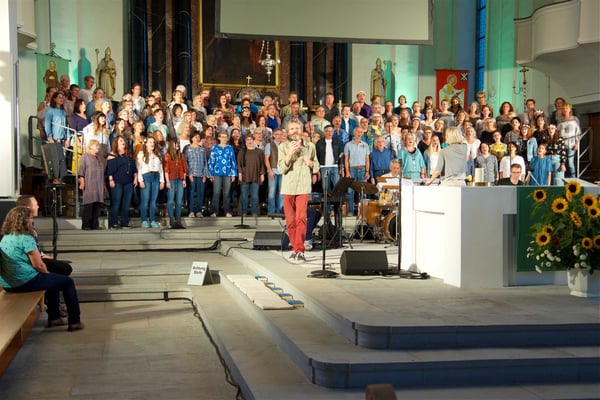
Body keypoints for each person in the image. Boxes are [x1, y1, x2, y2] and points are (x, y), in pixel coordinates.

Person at [0, 207, 83, 331]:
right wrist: (47, 273)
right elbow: (38, 265)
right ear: (23, 220)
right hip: (24, 282)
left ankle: (55, 318)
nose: (32, 220)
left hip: (8, 284)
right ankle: (75, 321)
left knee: (53, 280)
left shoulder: (6, 237)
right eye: (31, 218)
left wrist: (49, 275)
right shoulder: (25, 238)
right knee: (67, 282)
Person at [277, 120, 319, 262]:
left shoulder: (310, 146)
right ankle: (295, 248)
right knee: (290, 221)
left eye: (297, 128)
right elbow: (281, 168)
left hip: (303, 186)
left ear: (301, 130)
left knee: (301, 218)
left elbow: (317, 166)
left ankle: (299, 250)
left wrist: (310, 163)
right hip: (288, 187)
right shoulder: (283, 147)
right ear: (288, 132)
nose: (295, 131)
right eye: (292, 129)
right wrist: (289, 153)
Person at [15, 195, 72, 276]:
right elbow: (35, 259)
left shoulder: (29, 226)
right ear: (28, 208)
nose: (38, 207)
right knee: (65, 269)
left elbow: (38, 252)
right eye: (36, 205)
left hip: (35, 259)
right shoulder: (24, 231)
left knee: (63, 267)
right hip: (29, 264)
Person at [106, 135, 138, 229]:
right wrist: (111, 179)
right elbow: (110, 170)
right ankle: (113, 222)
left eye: (123, 140)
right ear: (116, 143)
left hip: (128, 182)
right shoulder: (113, 155)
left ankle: (125, 222)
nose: (123, 142)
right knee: (116, 203)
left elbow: (133, 167)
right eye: (120, 141)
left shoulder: (128, 155)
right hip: (117, 182)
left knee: (126, 203)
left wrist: (135, 177)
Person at [136, 135, 165, 228]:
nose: (152, 144)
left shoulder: (157, 154)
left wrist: (162, 181)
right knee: (145, 199)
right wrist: (140, 180)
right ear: (146, 144)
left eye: (153, 142)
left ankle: (152, 220)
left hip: (156, 176)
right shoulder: (141, 154)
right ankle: (144, 220)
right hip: (146, 176)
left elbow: (160, 168)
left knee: (153, 200)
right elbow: (139, 168)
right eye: (150, 142)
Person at [208, 131, 238, 217]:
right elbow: (211, 161)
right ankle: (214, 211)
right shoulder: (215, 148)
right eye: (222, 137)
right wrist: (211, 174)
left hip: (228, 173)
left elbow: (233, 161)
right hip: (216, 173)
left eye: (225, 137)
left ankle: (227, 211)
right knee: (216, 192)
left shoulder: (230, 148)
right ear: (219, 138)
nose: (224, 138)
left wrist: (233, 174)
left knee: (227, 193)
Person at [78, 139, 105, 230]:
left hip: (98, 185)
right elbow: (82, 170)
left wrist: (103, 185)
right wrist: (82, 182)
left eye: (98, 145)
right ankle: (86, 224)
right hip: (89, 184)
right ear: (91, 146)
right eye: (96, 145)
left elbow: (101, 172)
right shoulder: (85, 157)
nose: (98, 147)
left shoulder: (99, 158)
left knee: (96, 205)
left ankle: (94, 224)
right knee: (89, 204)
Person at [344, 126, 371, 215]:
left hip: (363, 169)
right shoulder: (348, 145)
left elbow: (367, 160)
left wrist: (367, 171)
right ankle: (350, 211)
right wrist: (347, 172)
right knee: (350, 191)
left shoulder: (365, 145)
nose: (359, 133)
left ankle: (363, 212)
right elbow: (346, 160)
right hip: (352, 169)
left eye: (361, 132)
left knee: (363, 192)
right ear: (354, 133)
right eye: (358, 132)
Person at [237, 135, 265, 217]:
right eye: (247, 140)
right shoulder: (242, 151)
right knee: (244, 195)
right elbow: (239, 163)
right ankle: (244, 212)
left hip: (255, 175)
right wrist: (240, 173)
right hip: (245, 175)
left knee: (255, 195)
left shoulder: (259, 152)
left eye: (251, 139)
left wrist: (262, 174)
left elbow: (262, 164)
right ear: (245, 142)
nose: (249, 141)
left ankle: (254, 212)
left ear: (253, 140)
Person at [163, 138, 188, 229]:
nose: (177, 145)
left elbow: (184, 169)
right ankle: (171, 220)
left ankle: (178, 220)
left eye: (178, 143)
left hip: (180, 179)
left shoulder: (182, 156)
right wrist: (167, 181)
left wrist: (184, 180)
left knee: (179, 201)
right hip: (171, 179)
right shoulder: (167, 156)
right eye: (175, 143)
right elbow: (166, 170)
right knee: (170, 200)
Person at [184, 131, 209, 218]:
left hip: (201, 174)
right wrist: (189, 173)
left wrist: (205, 174)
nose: (197, 139)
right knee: (191, 193)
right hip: (192, 174)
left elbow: (205, 162)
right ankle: (191, 211)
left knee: (200, 193)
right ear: (192, 138)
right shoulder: (188, 149)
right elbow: (185, 162)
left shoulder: (202, 149)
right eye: (195, 137)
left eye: (198, 137)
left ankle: (198, 211)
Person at [316, 126, 343, 197]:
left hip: (335, 167)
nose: (329, 133)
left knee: (337, 186)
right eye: (328, 131)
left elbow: (341, 155)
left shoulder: (337, 142)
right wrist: (317, 169)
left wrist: (341, 167)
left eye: (331, 131)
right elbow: (317, 156)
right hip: (324, 167)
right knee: (326, 187)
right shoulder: (319, 142)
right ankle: (327, 204)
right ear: (324, 132)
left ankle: (337, 203)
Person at [264, 128, 285, 214]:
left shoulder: (284, 145)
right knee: (272, 193)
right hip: (273, 171)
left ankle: (280, 210)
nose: (279, 136)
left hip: (283, 172)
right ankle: (271, 211)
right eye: (277, 134)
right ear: (273, 135)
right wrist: (270, 171)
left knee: (282, 193)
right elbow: (266, 159)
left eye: (281, 134)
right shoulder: (269, 145)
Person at [557, 103, 580, 178]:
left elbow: (578, 132)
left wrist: (577, 143)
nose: (565, 110)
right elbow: (558, 131)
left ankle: (574, 179)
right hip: (562, 143)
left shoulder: (574, 119)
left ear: (570, 109)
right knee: (563, 162)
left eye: (566, 108)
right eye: (564, 108)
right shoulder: (560, 120)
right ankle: (565, 179)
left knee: (570, 162)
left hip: (571, 143)